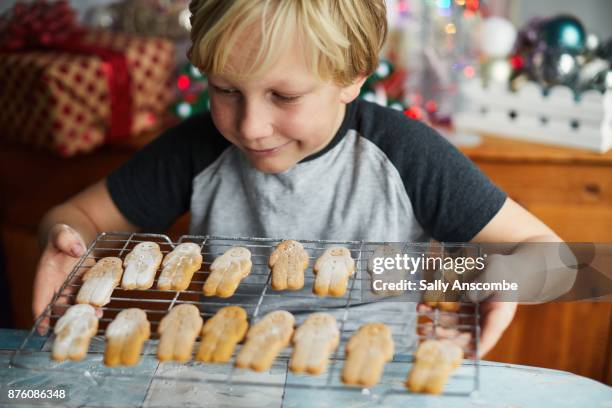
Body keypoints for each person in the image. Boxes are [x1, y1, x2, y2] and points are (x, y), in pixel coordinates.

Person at [33, 0, 561, 356]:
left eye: (284, 96)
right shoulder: (196, 150)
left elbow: (554, 257)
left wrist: (504, 281)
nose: (250, 126)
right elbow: (73, 218)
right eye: (226, 90)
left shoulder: (404, 154)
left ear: (353, 77)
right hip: (224, 378)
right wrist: (62, 244)